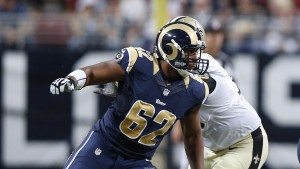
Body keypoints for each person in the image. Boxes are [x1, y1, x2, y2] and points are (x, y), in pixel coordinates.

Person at [50, 21, 209, 169]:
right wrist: (73, 79)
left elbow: (192, 137)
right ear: (170, 50)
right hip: (102, 145)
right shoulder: (139, 63)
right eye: (190, 51)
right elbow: (95, 72)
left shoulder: (194, 90)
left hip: (138, 161)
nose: (195, 57)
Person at [168, 16, 269, 169]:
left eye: (196, 47)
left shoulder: (205, 66)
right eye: (189, 48)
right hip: (211, 145)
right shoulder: (170, 69)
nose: (195, 54)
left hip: (243, 142)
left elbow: (187, 100)